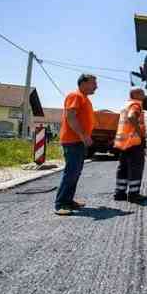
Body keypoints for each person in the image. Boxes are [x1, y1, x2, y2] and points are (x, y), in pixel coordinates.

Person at [54, 74, 97, 216]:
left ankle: (68, 201)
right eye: (93, 83)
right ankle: (60, 204)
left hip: (77, 141)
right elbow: (71, 117)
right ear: (83, 83)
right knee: (71, 172)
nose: (96, 86)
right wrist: (83, 135)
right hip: (72, 140)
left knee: (75, 172)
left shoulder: (84, 98)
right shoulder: (75, 96)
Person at [113, 88, 147, 203]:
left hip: (123, 143)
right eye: (142, 93)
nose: (144, 95)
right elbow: (132, 117)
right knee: (136, 168)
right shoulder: (136, 105)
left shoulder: (126, 105)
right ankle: (133, 194)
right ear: (135, 94)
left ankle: (119, 193)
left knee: (123, 168)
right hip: (134, 142)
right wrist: (140, 132)